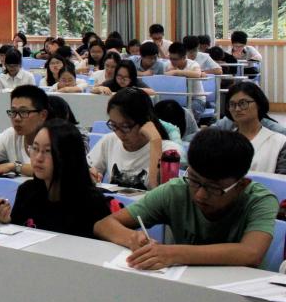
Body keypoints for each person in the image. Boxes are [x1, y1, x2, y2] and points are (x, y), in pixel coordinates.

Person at [94, 127, 277, 270]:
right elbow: (103, 225)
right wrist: (133, 238)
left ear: (241, 185)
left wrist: (173, 254)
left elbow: (251, 253)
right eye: (195, 181)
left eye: (213, 188)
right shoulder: (176, 191)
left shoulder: (259, 200)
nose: (200, 195)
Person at [0, 119, 113, 238]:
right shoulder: (27, 191)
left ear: (68, 156)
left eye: (48, 151)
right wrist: (6, 221)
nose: (38, 158)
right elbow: (17, 237)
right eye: (35, 148)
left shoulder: (92, 203)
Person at [87, 87, 178, 190]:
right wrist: (90, 176)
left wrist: (155, 141)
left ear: (145, 121)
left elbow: (159, 192)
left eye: (125, 127)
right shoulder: (109, 141)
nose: (119, 134)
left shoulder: (169, 152)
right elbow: (86, 173)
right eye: (114, 125)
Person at [224, 81, 286, 174]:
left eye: (243, 103)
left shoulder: (279, 142)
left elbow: (282, 179)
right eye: (232, 104)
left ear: (259, 104)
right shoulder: (223, 142)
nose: (237, 109)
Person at [165, 41, 207, 119]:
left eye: (175, 59)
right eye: (170, 58)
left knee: (188, 114)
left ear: (184, 57)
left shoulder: (193, 64)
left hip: (196, 99)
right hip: (177, 98)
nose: (172, 61)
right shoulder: (168, 65)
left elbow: (197, 74)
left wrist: (176, 72)